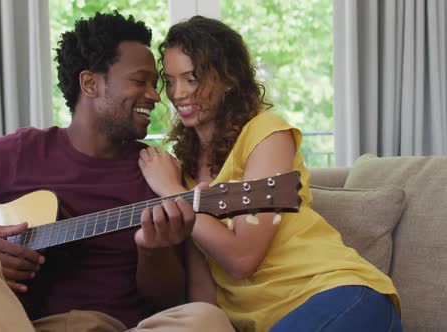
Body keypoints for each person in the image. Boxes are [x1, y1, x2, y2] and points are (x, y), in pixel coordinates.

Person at [0, 12, 235, 332]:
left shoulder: (158, 171)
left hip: (119, 327)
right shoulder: (16, 153)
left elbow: (166, 300)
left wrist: (154, 251)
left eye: (154, 84)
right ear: (90, 84)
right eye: (140, 81)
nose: (156, 96)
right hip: (13, 324)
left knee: (206, 320)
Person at [138, 16, 402, 332]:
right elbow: (205, 295)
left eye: (192, 79)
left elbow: (242, 258)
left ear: (228, 78)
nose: (177, 93)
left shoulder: (268, 133)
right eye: (170, 80)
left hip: (339, 295)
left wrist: (172, 192)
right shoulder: (185, 169)